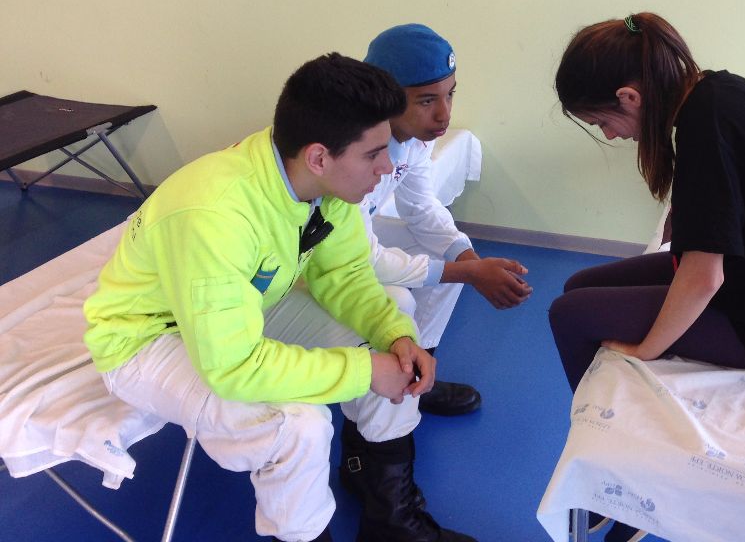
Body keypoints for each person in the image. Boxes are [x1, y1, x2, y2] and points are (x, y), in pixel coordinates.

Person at [83, 53, 477, 542]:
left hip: (242, 309)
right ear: (319, 156)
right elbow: (234, 366)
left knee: (395, 316)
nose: (387, 166)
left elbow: (345, 274)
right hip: (148, 339)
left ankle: (390, 518)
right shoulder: (216, 215)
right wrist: (364, 370)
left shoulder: (323, 183)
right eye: (374, 154)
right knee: (298, 427)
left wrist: (395, 337)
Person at [548, 12, 745, 542]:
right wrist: (696, 210)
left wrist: (646, 350)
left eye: (603, 122)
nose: (611, 134)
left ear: (629, 97)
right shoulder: (715, 91)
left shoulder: (702, 127)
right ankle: (616, 452)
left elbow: (703, 278)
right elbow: (742, 184)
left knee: (569, 315)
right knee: (579, 287)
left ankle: (616, 471)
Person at [354, 23, 531, 421]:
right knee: (402, 297)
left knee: (452, 252)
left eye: (450, 94)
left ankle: (420, 371)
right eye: (426, 100)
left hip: (354, 239)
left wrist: (469, 262)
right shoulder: (353, 147)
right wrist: (468, 273)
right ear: (383, 95)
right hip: (312, 260)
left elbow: (420, 207)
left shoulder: (414, 135)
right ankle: (378, 412)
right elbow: (361, 258)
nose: (444, 114)